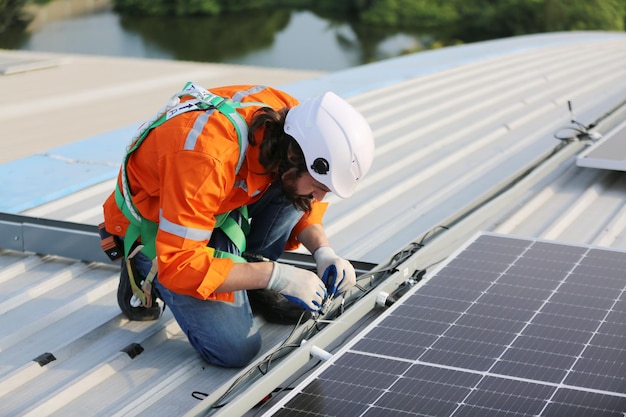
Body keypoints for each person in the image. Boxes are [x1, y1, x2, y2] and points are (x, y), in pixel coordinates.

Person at [101, 82, 375, 368]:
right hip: (163, 231)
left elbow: (303, 195)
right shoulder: (206, 157)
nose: (320, 197)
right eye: (320, 186)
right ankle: (141, 265)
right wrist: (275, 276)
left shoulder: (294, 122)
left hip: (213, 202)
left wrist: (323, 250)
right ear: (295, 156)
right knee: (235, 348)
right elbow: (179, 265)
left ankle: (249, 279)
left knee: (296, 187)